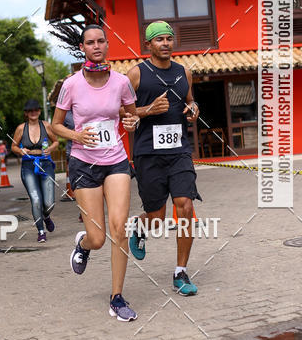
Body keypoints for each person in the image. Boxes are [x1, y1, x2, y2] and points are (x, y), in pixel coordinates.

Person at [52, 24, 139, 321]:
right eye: (90, 42)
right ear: (83, 48)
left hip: (116, 160)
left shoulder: (122, 82)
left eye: (101, 41)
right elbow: (56, 125)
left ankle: (117, 298)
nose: (97, 46)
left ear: (107, 45)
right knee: (98, 238)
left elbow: (132, 116)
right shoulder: (71, 84)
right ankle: (83, 244)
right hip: (84, 163)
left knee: (119, 229)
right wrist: (76, 136)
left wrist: (132, 123)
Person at [126, 21, 201, 296]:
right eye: (159, 39)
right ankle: (140, 226)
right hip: (148, 154)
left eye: (169, 38)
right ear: (148, 44)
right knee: (156, 218)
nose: (166, 43)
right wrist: (147, 110)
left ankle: (180, 272)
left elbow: (190, 100)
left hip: (179, 151)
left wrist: (193, 108)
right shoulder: (136, 74)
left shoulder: (184, 72)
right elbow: (120, 111)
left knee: (185, 207)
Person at [12, 100, 59, 242]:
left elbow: (56, 141)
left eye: (36, 110)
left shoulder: (46, 125)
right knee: (36, 199)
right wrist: (20, 151)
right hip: (28, 166)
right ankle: (40, 231)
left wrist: (50, 148)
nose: (33, 113)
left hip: (45, 164)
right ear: (26, 113)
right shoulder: (21, 128)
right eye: (30, 110)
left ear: (39, 111)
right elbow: (13, 146)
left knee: (49, 203)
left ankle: (46, 216)